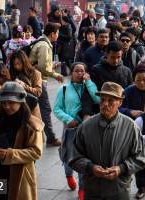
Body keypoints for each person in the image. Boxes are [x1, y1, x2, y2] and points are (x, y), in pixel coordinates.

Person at [70, 81, 145, 200]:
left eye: (111, 100)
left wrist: (121, 168)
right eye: (102, 100)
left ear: (120, 102)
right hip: (92, 189)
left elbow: (140, 158)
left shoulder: (131, 127)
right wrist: (90, 167)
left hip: (119, 189)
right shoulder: (86, 126)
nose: (105, 104)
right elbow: (73, 156)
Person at [0, 81, 44, 200]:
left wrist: (10, 154)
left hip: (21, 174)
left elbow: (36, 152)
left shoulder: (31, 125)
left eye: (11, 102)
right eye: (4, 103)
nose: (6, 106)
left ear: (20, 102)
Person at [54, 62, 100, 198]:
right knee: (68, 156)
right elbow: (57, 109)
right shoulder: (63, 89)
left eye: (82, 71)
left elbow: (97, 99)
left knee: (83, 158)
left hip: (86, 128)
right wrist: (69, 120)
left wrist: (89, 82)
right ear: (71, 73)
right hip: (70, 128)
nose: (79, 73)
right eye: (77, 71)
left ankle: (82, 188)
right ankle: (68, 175)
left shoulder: (89, 86)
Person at [29, 22, 64, 146]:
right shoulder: (44, 45)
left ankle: (37, 135)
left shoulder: (42, 42)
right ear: (52, 33)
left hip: (35, 78)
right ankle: (50, 137)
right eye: (57, 33)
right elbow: (43, 67)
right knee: (45, 108)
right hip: (37, 80)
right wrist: (56, 75)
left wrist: (52, 66)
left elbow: (41, 64)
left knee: (34, 107)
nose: (58, 36)